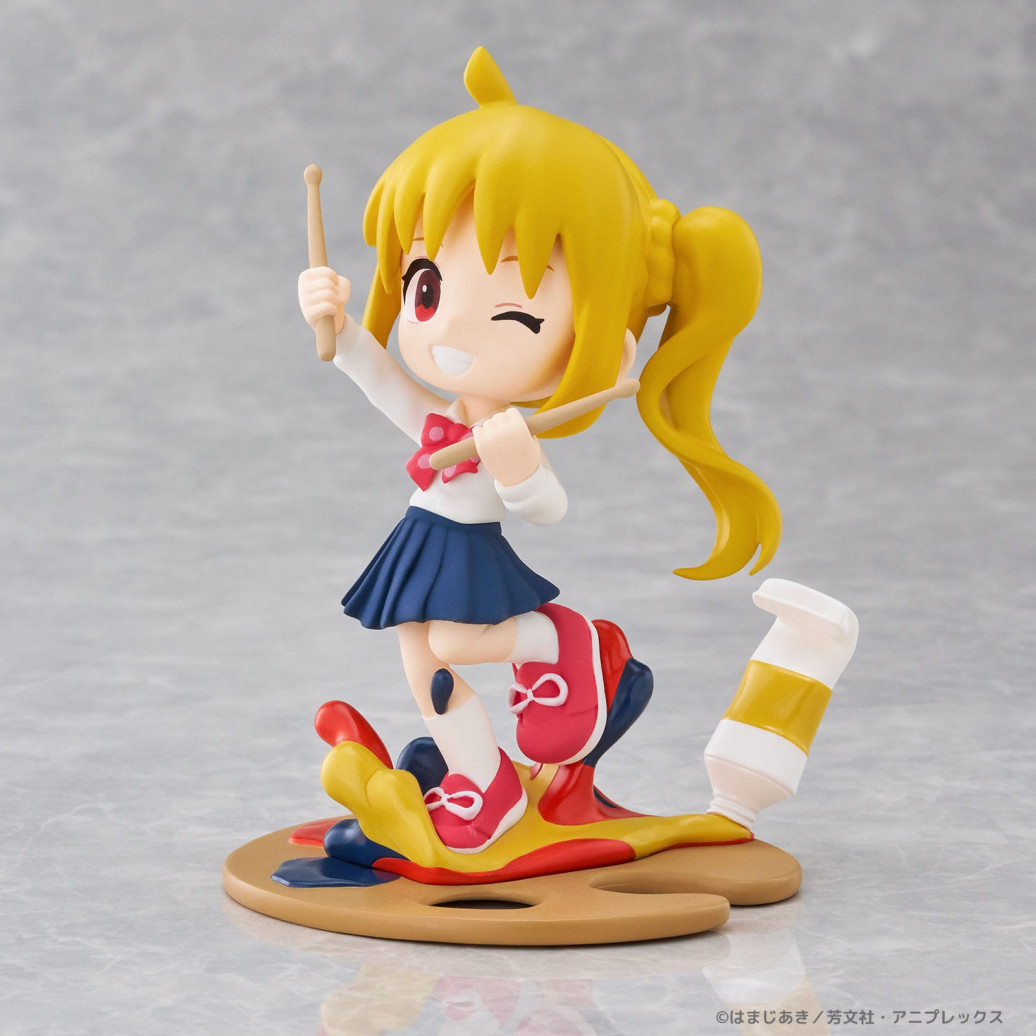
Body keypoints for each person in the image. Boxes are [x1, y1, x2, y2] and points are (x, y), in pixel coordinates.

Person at [298, 47, 780, 853]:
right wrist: (337, 322)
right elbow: (381, 381)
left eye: (514, 309)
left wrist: (518, 466)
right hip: (421, 539)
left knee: (453, 642)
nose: (449, 323)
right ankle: (482, 784)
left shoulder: (509, 434)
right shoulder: (444, 418)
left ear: (607, 345)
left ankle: (563, 642)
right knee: (422, 664)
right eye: (427, 286)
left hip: (465, 547)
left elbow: (547, 508)